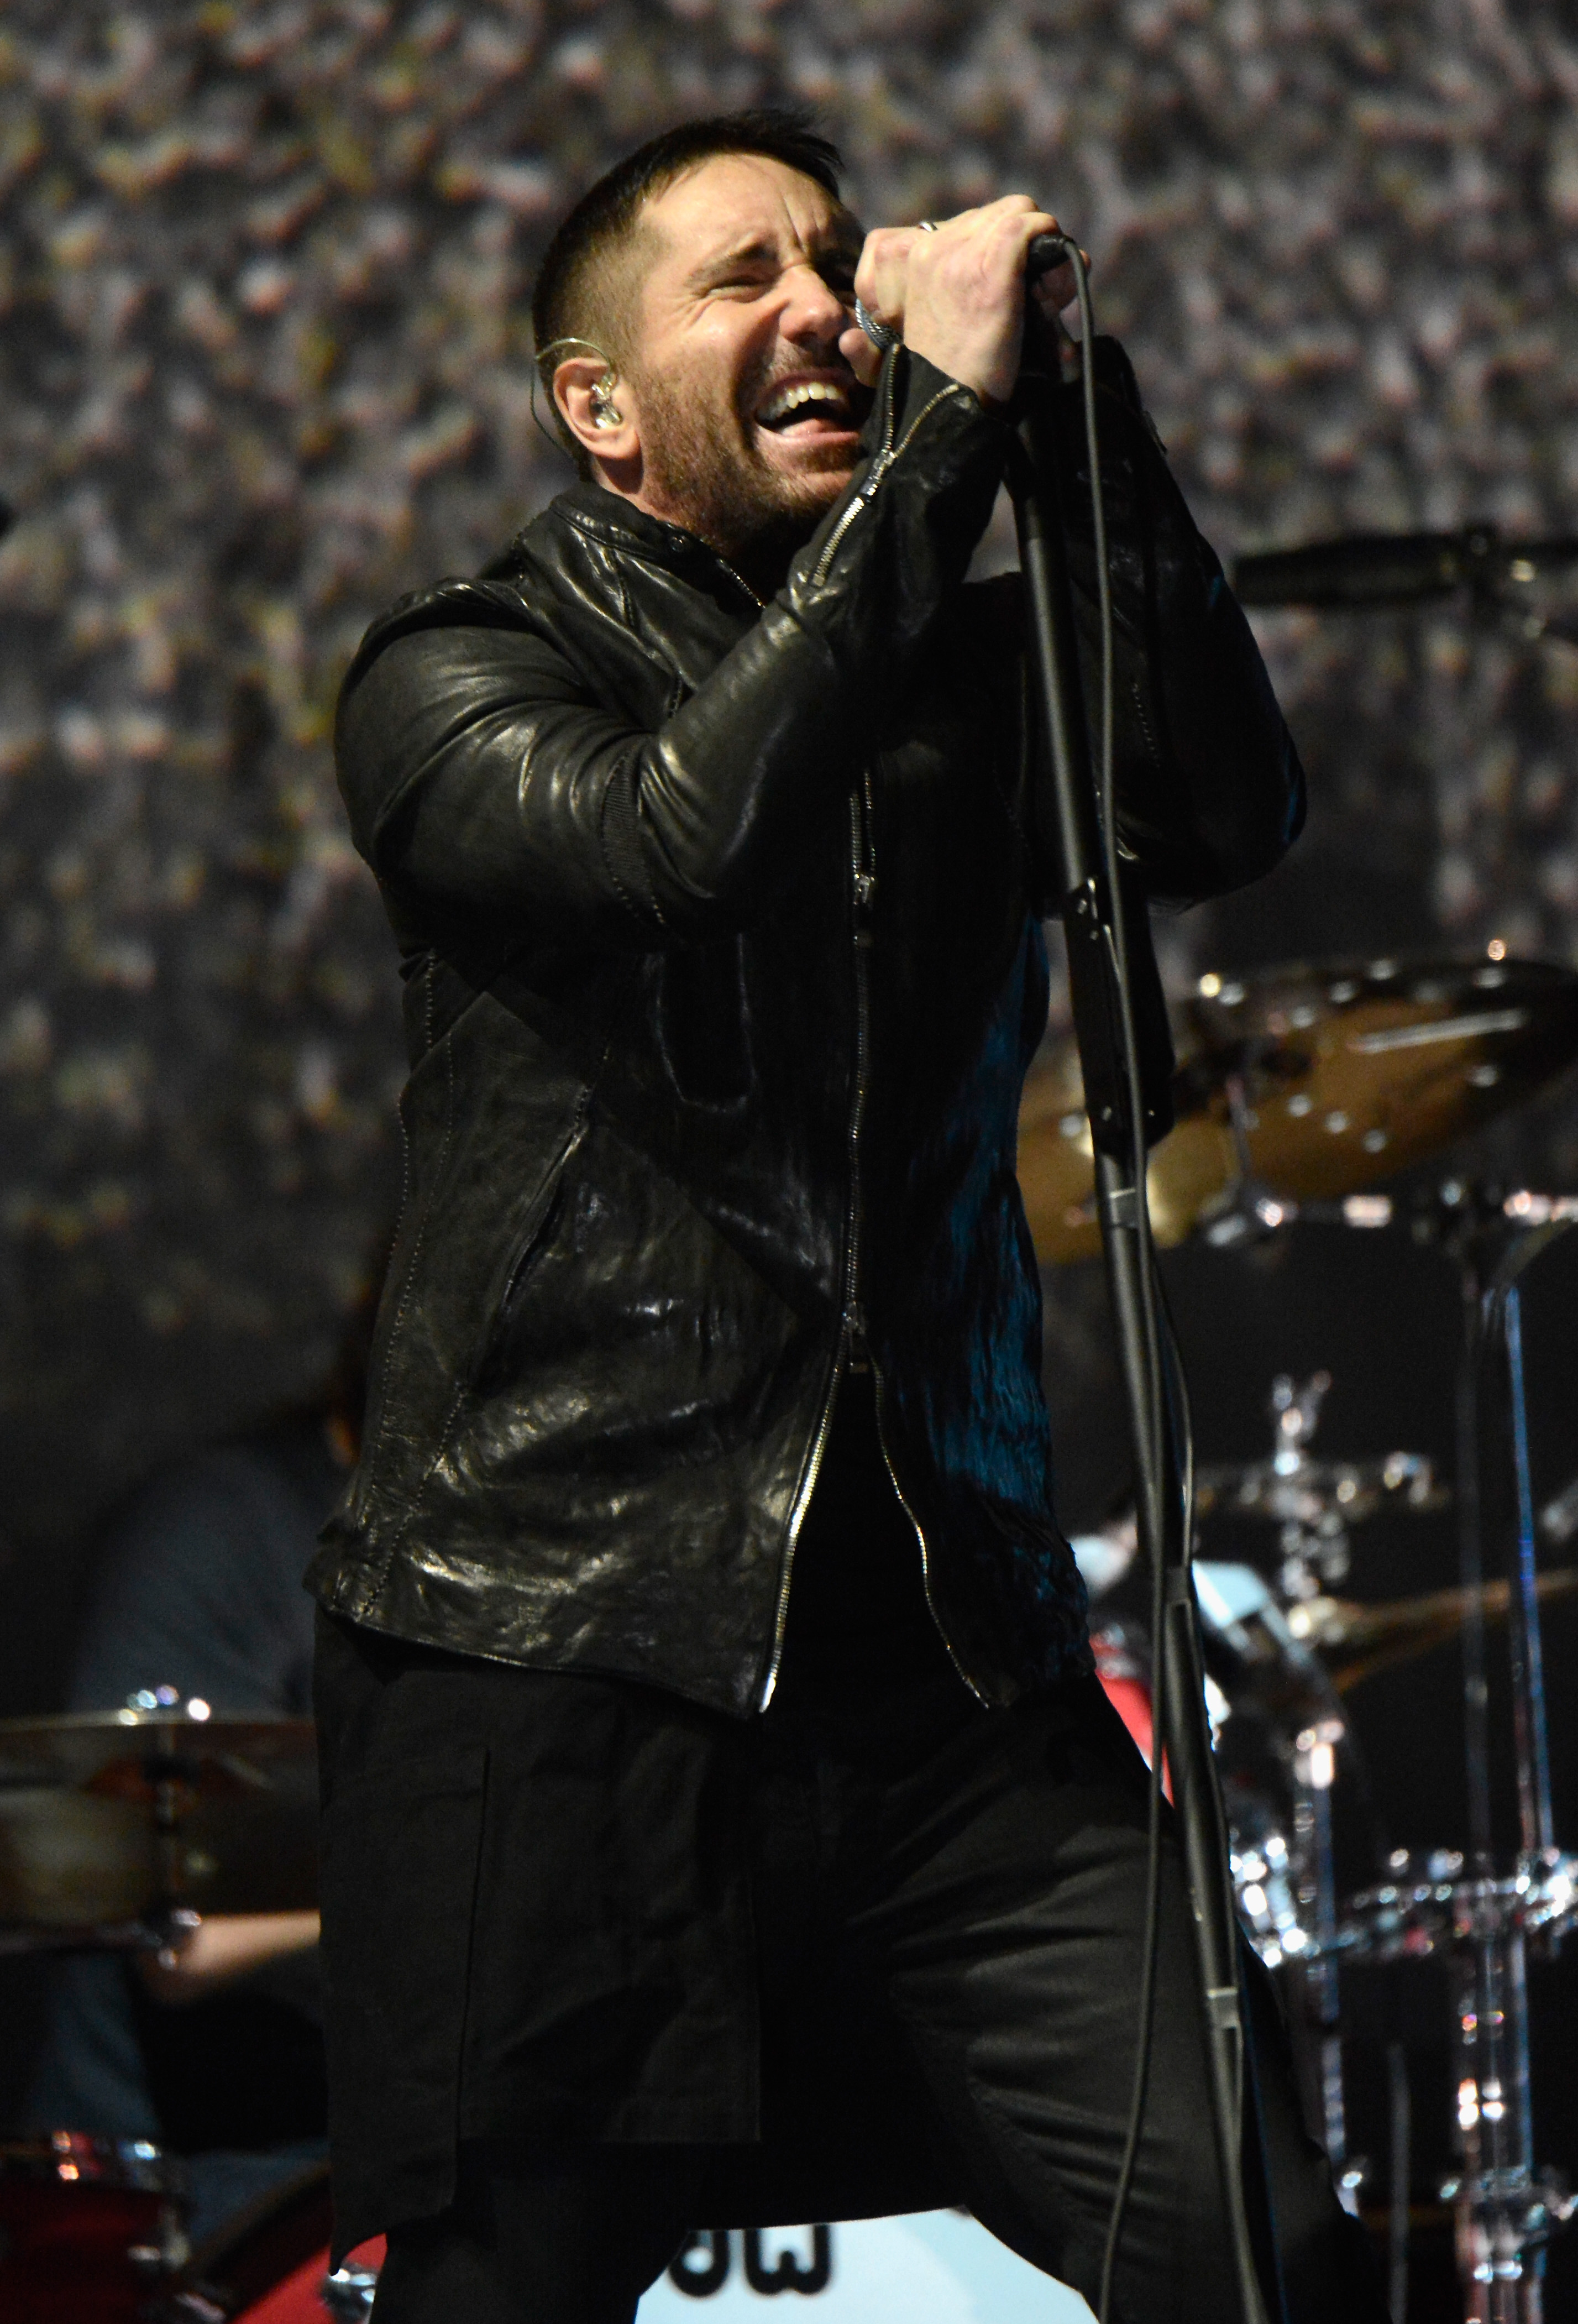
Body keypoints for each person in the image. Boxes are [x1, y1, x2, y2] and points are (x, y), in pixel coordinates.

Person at [308, 111, 1385, 2324]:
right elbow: (684, 833)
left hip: (945, 1679)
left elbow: (1223, 802)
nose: (821, 308)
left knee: (1259, 2257)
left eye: (835, 266)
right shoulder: (453, 678)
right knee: (502, 2297)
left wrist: (1076, 416)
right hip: (567, 1663)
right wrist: (940, 457)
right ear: (598, 412)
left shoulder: (960, 678)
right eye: (740, 284)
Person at [23, 1318, 373, 2246]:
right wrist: (462, 1863)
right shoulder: (223, 1526)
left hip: (397, 2151)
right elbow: (186, 1927)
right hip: (211, 2194)